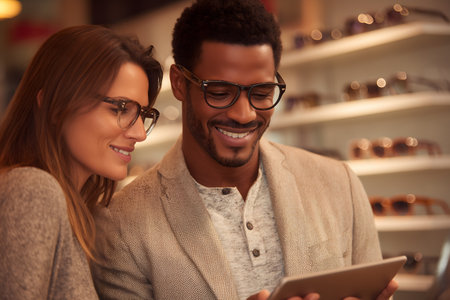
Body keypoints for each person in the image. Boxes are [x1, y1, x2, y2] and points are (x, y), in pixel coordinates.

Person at [90, 1, 398, 300]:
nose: (244, 114)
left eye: (262, 93)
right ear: (180, 83)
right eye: (221, 93)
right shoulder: (121, 226)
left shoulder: (338, 183)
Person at [0, 24, 162, 299]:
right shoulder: (33, 189)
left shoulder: (77, 214)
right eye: (120, 109)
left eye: (142, 113)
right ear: (53, 104)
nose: (139, 133)